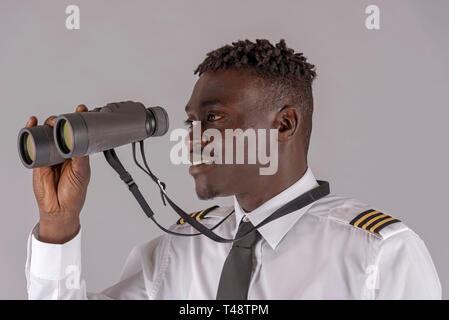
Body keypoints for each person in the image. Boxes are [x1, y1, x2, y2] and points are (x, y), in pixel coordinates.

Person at [24, 39, 441, 299]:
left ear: (284, 124)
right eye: (191, 121)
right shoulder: (183, 247)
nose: (192, 138)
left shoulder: (379, 253)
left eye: (215, 118)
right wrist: (57, 223)